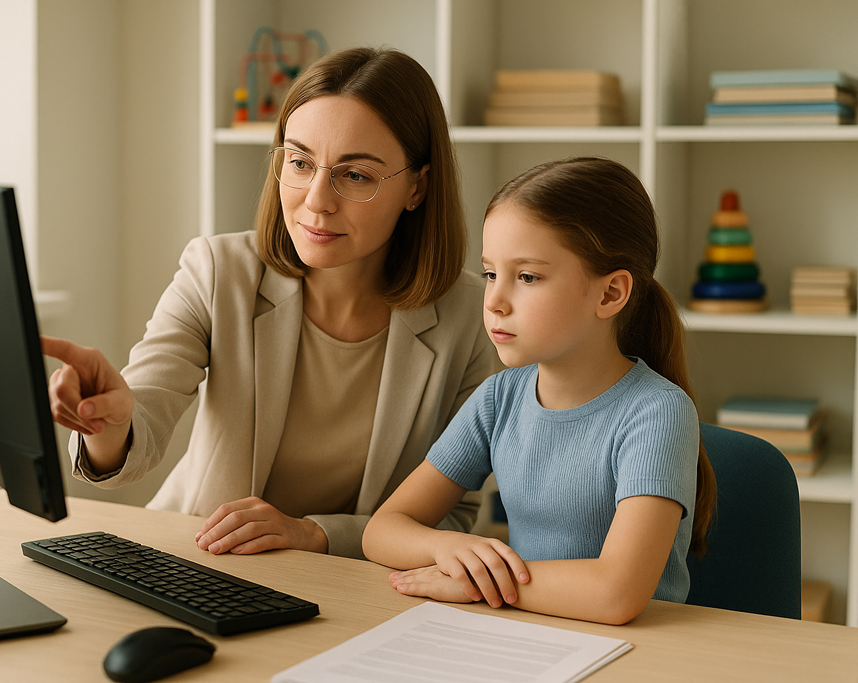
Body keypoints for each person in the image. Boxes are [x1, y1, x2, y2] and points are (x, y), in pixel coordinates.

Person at [42, 46, 495, 560]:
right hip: (194, 560)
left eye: (356, 175)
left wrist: (313, 534)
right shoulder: (218, 270)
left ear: (417, 186)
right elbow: (139, 426)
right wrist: (111, 422)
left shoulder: (471, 316)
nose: (316, 199)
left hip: (351, 587)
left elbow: (451, 515)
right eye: (300, 162)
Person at [362, 156, 718, 625]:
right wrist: (448, 546)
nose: (494, 300)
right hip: (526, 636)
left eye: (527, 277)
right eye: (491, 273)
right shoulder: (498, 399)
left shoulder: (658, 412)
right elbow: (382, 531)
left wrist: (475, 585)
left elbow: (616, 595)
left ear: (610, 293)